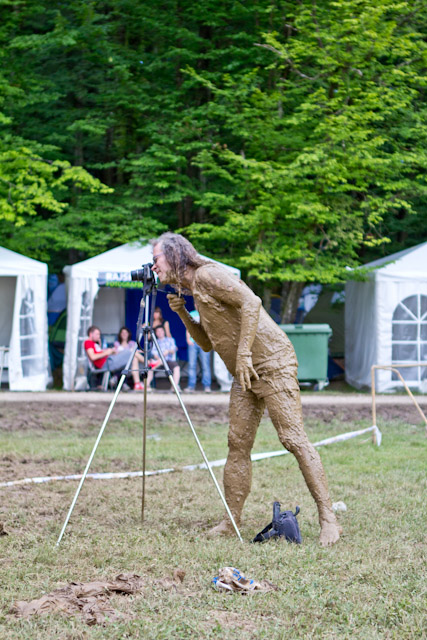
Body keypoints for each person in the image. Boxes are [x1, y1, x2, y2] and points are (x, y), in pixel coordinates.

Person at [150, 232, 341, 546]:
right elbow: (208, 344)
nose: (154, 267)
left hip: (271, 362)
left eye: (157, 259)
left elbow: (252, 301)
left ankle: (329, 519)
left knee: (293, 438)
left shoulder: (208, 275)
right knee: (237, 443)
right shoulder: (195, 290)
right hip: (245, 372)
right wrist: (183, 313)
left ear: (174, 256)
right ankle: (231, 520)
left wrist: (243, 354)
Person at [84, 326, 141, 390]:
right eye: (97, 334)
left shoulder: (94, 344)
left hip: (109, 361)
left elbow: (98, 353)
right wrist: (107, 352)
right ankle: (148, 363)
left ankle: (137, 384)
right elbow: (93, 357)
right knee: (130, 352)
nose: (99, 336)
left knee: (134, 358)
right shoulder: (88, 342)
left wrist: (108, 351)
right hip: (107, 364)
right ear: (91, 334)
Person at [147, 325, 181, 391]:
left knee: (177, 367)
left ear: (164, 331)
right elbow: (154, 354)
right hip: (158, 360)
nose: (160, 332)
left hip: (169, 360)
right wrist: (161, 357)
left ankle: (174, 387)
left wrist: (167, 351)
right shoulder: (154, 342)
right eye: (158, 331)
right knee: (150, 368)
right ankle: (147, 386)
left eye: (161, 331)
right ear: (156, 333)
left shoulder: (171, 340)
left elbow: (173, 350)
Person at [185, 308, 211, 392]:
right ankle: (191, 386)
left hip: (203, 342)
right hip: (193, 341)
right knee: (192, 365)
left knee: (205, 365)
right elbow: (188, 326)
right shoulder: (192, 313)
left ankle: (207, 386)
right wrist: (188, 338)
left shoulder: (206, 313)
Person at [113, 326, 145, 391]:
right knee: (133, 353)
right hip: (121, 363)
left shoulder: (132, 343)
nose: (124, 334)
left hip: (131, 364)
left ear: (128, 334)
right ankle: (148, 363)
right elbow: (115, 354)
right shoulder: (117, 344)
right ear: (120, 334)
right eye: (123, 333)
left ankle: (137, 383)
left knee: (134, 356)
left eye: (126, 333)